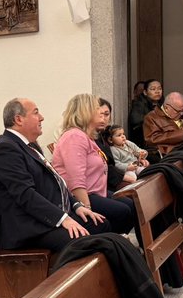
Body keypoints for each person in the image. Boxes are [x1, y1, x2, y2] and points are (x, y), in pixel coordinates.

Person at [0, 97, 109, 252]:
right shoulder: (6, 149)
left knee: (101, 224)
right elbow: (25, 195)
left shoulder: (29, 145)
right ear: (18, 119)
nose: (42, 117)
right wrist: (63, 219)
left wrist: (76, 205)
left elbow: (56, 181)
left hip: (43, 218)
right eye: (36, 113)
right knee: (85, 242)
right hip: (27, 228)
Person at [50, 94, 136, 235]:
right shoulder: (74, 136)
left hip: (96, 192)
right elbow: (76, 181)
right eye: (96, 109)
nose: (101, 112)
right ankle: (113, 244)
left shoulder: (87, 137)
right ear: (86, 112)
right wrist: (87, 209)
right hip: (82, 196)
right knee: (123, 211)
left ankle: (125, 245)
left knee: (131, 205)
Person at [143, 91, 183, 156]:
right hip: (170, 155)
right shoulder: (152, 117)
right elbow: (152, 140)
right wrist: (181, 133)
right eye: (178, 111)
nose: (181, 113)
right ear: (167, 108)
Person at [129, 79, 163, 148]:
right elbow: (135, 120)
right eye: (153, 89)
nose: (157, 91)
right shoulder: (139, 104)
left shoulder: (164, 104)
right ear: (145, 92)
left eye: (159, 88)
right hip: (144, 143)